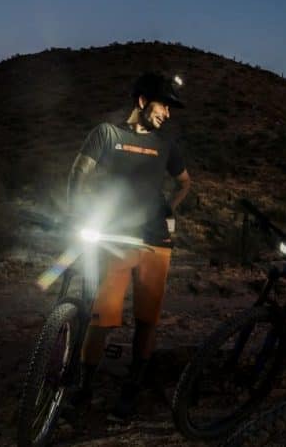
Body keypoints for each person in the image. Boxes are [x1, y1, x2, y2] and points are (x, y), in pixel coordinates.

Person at [65, 72, 192, 421]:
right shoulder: (107, 134)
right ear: (142, 101)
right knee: (102, 318)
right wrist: (76, 215)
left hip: (156, 242)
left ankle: (132, 390)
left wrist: (169, 208)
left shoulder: (166, 145)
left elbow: (185, 183)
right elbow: (78, 175)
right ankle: (84, 390)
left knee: (147, 320)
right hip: (115, 238)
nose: (167, 113)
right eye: (163, 105)